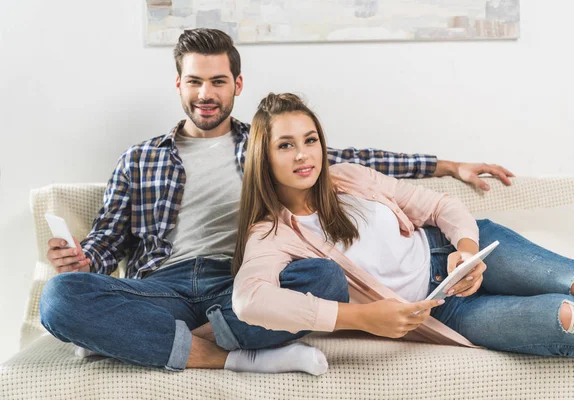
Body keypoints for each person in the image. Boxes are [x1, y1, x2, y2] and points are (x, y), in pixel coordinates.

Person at [40, 28, 514, 375]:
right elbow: (106, 239)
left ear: (237, 86)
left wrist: (449, 165)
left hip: (242, 283)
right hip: (161, 288)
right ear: (178, 85)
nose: (206, 94)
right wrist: (82, 258)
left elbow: (356, 159)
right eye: (194, 82)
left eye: (218, 81)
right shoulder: (140, 159)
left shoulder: (268, 145)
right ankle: (228, 357)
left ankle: (146, 343)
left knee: (325, 277)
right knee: (59, 298)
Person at [232, 92, 574, 359]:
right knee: (567, 317)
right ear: (263, 156)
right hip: (440, 309)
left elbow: (441, 205)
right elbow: (249, 300)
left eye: (310, 140)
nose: (302, 155)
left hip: (450, 251)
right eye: (285, 145)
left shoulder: (349, 177)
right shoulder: (271, 234)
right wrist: (363, 318)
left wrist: (467, 251)